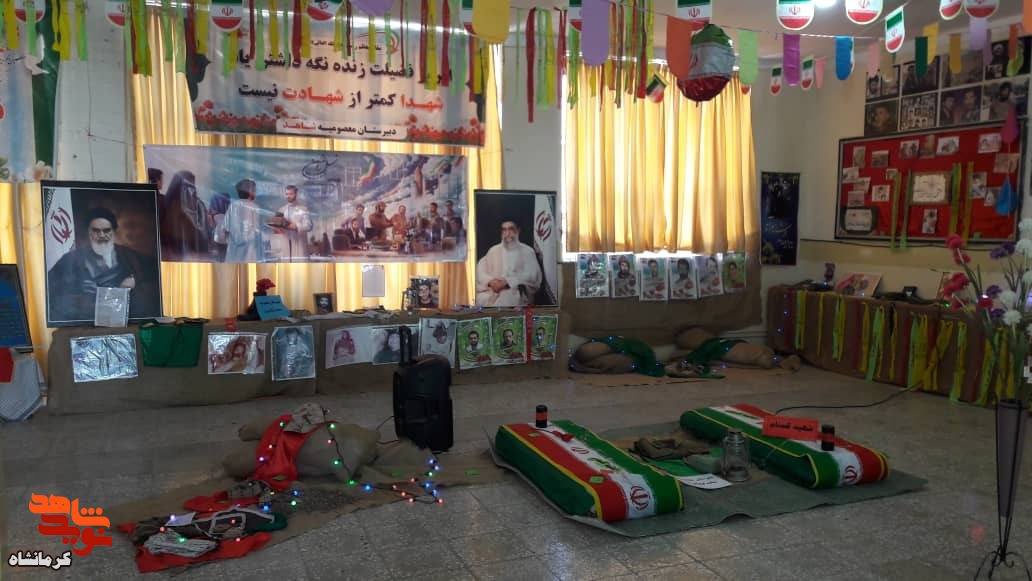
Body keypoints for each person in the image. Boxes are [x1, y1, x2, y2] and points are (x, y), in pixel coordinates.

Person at [47, 206, 161, 323]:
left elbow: (156, 274)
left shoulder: (130, 256)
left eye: (106, 230)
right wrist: (80, 292)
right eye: (96, 231)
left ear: (114, 232)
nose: (101, 235)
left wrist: (134, 280)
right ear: (89, 232)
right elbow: (52, 290)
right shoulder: (71, 259)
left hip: (125, 318)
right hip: (88, 321)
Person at [475, 220, 542, 307]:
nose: (507, 233)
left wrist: (508, 282)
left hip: (514, 291)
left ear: (518, 230)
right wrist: (490, 281)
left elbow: (532, 275)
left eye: (511, 229)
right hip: (493, 291)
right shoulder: (494, 250)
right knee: (476, 299)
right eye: (504, 230)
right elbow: (480, 270)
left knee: (507, 298)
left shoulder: (527, 251)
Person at [160, 170, 210, 258]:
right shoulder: (197, 205)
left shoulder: (165, 203)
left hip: (178, 254)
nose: (191, 190)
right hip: (180, 254)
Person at [221, 179, 266, 262]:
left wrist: (232, 240)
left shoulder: (233, 205)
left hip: (234, 251)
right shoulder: (254, 207)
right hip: (249, 250)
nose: (255, 193)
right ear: (250, 191)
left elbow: (225, 228)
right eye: (254, 190)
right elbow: (256, 229)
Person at [275, 185, 312, 260]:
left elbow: (309, 226)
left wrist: (296, 226)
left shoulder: (303, 209)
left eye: (291, 194)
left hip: (299, 245)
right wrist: (277, 228)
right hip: (285, 246)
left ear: (296, 194)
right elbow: (276, 228)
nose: (288, 196)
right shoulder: (281, 210)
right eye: (287, 194)